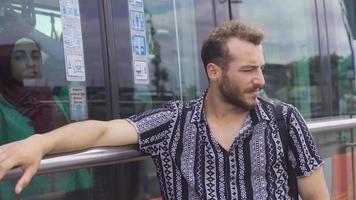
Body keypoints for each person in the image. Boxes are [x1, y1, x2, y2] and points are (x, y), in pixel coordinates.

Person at [0, 21, 329, 199]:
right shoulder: (174, 123)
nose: (260, 79)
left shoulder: (285, 121)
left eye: (261, 68)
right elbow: (101, 130)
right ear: (214, 72)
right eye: (248, 70)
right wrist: (40, 144)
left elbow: (317, 197)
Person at [0, 37, 91, 198]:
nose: (30, 63)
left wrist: (30, 30)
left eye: (36, 56)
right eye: (20, 57)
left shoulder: (54, 100)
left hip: (68, 191)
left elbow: (66, 59)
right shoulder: (3, 107)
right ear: (7, 63)